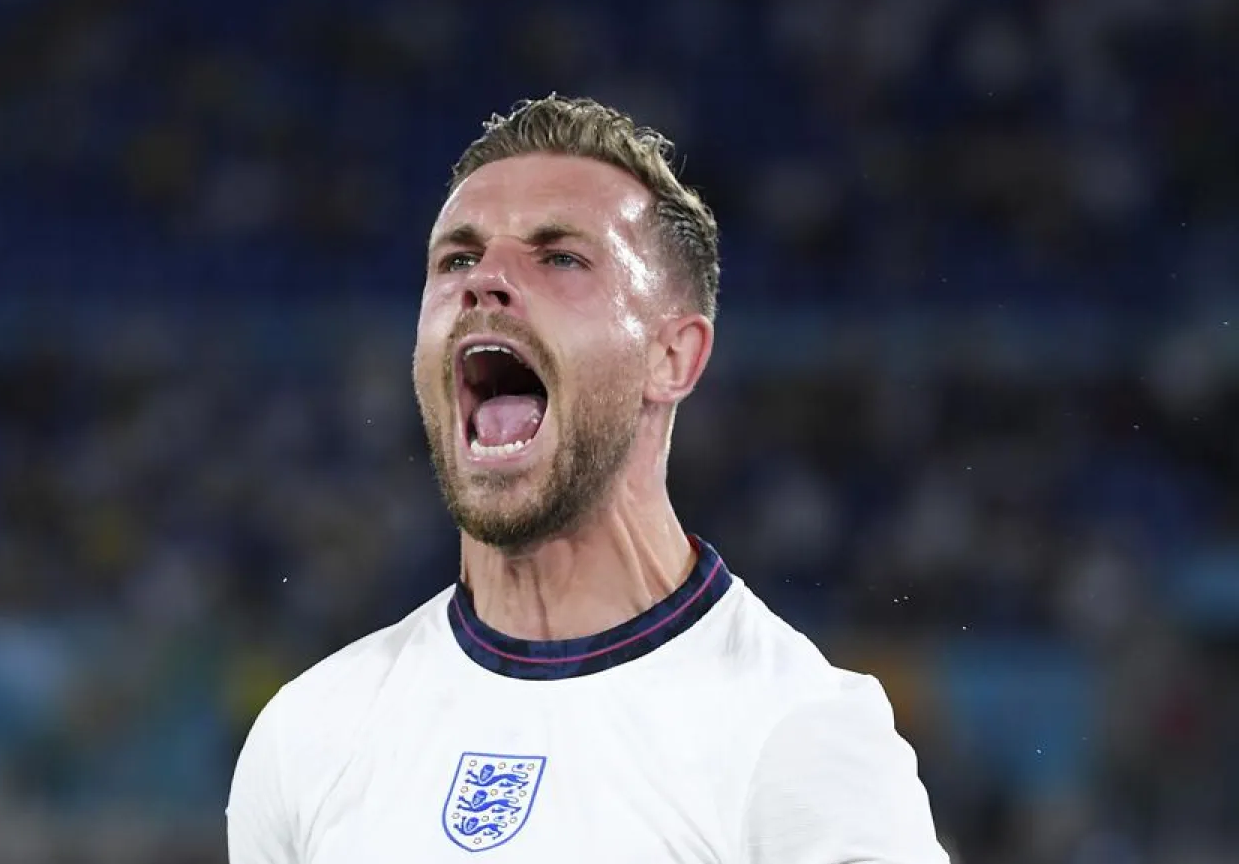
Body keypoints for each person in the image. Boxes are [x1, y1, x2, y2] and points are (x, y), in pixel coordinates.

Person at [227, 96, 949, 862]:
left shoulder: (799, 739)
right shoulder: (309, 736)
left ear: (673, 356)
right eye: (457, 259)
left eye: (560, 257)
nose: (486, 279)